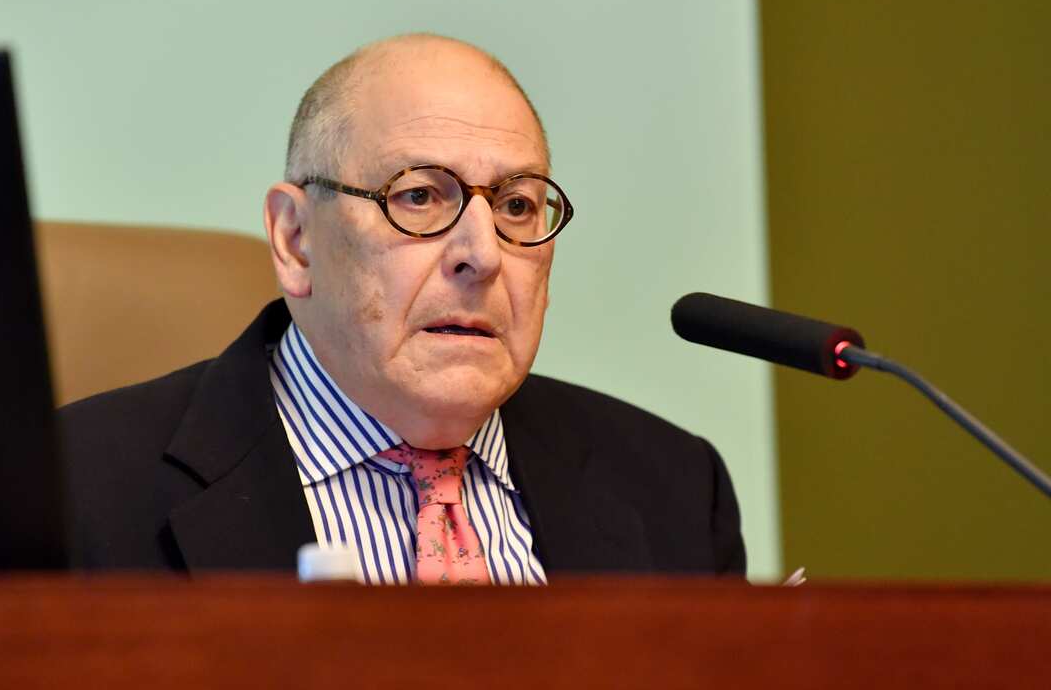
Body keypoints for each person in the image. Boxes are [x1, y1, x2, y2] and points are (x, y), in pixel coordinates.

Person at [60, 34, 745, 583]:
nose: (482, 254)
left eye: (516, 205)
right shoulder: (73, 494)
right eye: (418, 197)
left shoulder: (675, 489)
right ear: (296, 240)